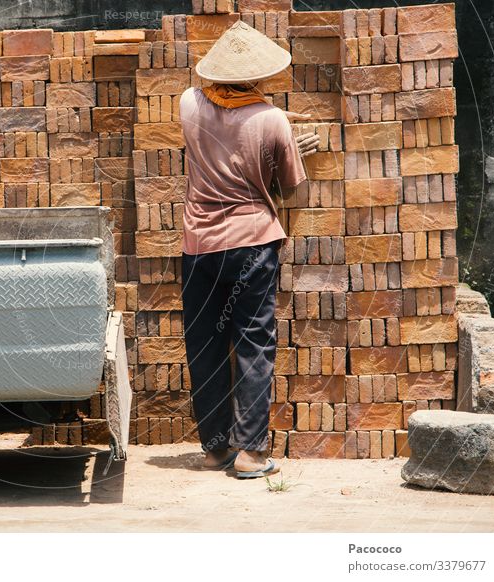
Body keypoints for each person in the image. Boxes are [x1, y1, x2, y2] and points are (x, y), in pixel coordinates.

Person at [179, 19, 319, 478]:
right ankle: (252, 453)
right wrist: (292, 147)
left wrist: (273, 124)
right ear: (259, 77)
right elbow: (291, 190)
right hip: (252, 245)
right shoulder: (272, 120)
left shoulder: (188, 104)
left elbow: (229, 121)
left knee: (205, 344)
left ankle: (216, 449)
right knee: (253, 346)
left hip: (198, 246)